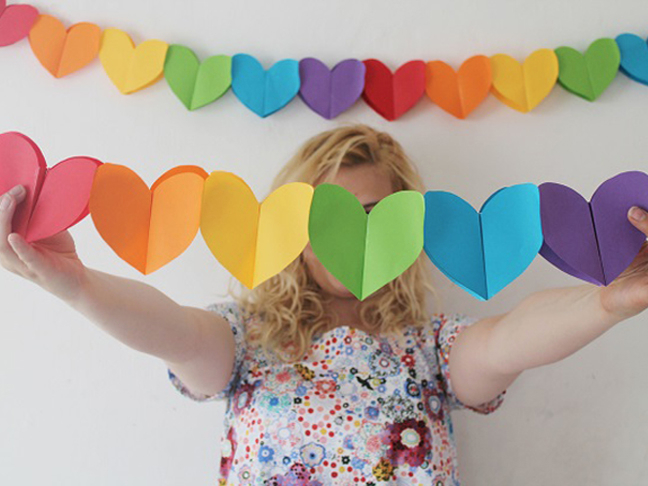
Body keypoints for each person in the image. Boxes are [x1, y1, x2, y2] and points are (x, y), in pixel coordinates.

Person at [2, 124, 648, 485]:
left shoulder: (429, 346)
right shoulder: (246, 339)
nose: (349, 240)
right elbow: (171, 331)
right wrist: (76, 284)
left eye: (372, 217)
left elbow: (511, 339)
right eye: (324, 217)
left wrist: (609, 304)